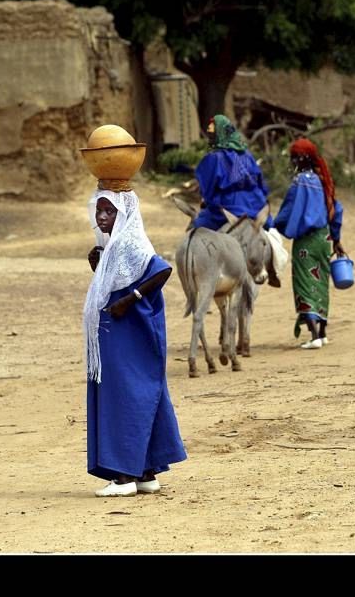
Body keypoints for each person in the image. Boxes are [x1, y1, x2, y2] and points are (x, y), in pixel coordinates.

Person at [84, 189, 187, 497]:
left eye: (109, 212)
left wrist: (131, 300)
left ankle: (123, 478)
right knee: (140, 393)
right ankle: (146, 472)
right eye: (99, 211)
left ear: (125, 215)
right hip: (119, 333)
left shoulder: (131, 241)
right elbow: (117, 282)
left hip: (131, 333)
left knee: (125, 396)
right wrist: (97, 264)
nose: (102, 217)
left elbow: (161, 269)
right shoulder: (112, 246)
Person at [273, 138, 346, 350]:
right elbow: (336, 209)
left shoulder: (299, 183)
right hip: (325, 239)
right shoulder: (323, 180)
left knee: (305, 284)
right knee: (321, 283)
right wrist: (337, 239)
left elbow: (287, 211)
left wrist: (275, 224)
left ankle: (313, 336)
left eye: (294, 156)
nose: (292, 160)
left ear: (302, 157)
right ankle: (322, 333)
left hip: (306, 241)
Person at [193, 114, 281, 287]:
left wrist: (207, 201)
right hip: (255, 204)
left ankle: (200, 277)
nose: (209, 134)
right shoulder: (247, 155)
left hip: (228, 206)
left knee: (195, 231)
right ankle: (272, 270)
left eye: (212, 131)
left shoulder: (214, 158)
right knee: (270, 230)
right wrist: (261, 198)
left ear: (219, 134)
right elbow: (261, 183)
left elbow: (208, 189)